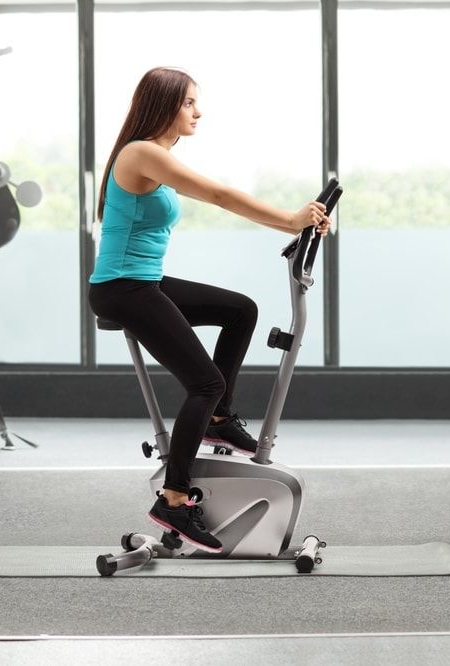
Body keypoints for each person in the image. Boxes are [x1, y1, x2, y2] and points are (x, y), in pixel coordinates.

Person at [88, 67, 332, 553]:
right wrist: (288, 219)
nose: (198, 112)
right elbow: (219, 195)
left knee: (240, 310)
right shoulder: (141, 154)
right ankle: (174, 499)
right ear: (163, 106)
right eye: (189, 103)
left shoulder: (154, 157)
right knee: (205, 382)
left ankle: (218, 419)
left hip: (143, 281)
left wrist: (302, 223)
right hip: (120, 288)